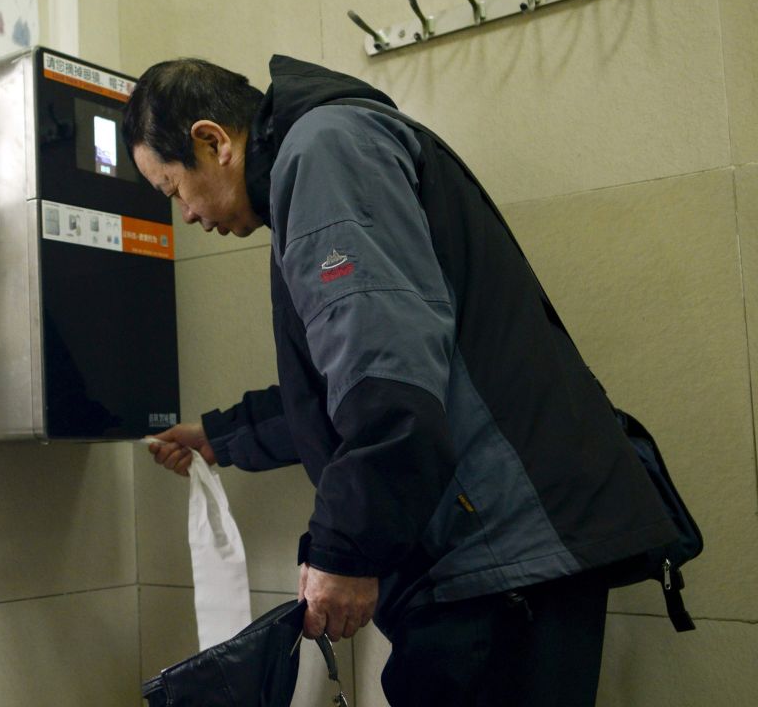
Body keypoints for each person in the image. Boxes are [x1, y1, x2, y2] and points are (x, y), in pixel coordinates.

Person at [124, 55, 678, 706]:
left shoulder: (325, 152)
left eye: (172, 190)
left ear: (212, 141)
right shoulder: (332, 145)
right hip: (501, 555)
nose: (185, 215)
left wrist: (345, 553)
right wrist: (225, 435)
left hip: (495, 564)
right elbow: (362, 371)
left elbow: (386, 385)